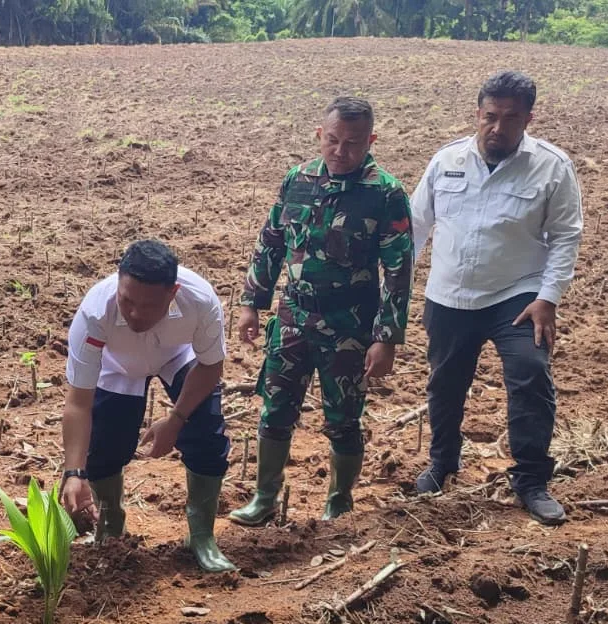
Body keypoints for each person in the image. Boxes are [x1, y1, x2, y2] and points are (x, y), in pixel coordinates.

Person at [229, 96, 414, 525]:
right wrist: (252, 303)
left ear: (371, 141)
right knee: (275, 409)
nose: (340, 151)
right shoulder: (298, 179)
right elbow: (271, 240)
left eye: (352, 143)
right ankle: (264, 498)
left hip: (348, 325)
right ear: (319, 135)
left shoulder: (385, 193)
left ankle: (339, 502)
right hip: (292, 318)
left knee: (343, 418)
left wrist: (386, 338)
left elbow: (398, 269)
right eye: (332, 140)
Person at [409, 70, 583, 525]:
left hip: (519, 294)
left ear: (528, 117)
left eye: (510, 118)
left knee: (529, 374)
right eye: (490, 116)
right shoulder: (446, 160)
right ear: (478, 113)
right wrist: (393, 287)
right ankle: (443, 463)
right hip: (449, 294)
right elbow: (415, 227)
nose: (497, 128)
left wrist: (549, 298)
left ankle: (530, 479)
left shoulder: (551, 166)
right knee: (445, 383)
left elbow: (566, 236)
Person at [58, 239, 235, 573]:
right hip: (117, 366)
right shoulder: (95, 312)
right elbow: (79, 403)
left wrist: (177, 418)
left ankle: (201, 537)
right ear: (118, 281)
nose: (136, 314)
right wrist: (74, 472)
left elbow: (211, 366)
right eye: (127, 301)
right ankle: (111, 528)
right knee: (105, 446)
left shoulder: (200, 300)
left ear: (172, 293)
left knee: (206, 435)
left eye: (150, 305)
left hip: (179, 357)